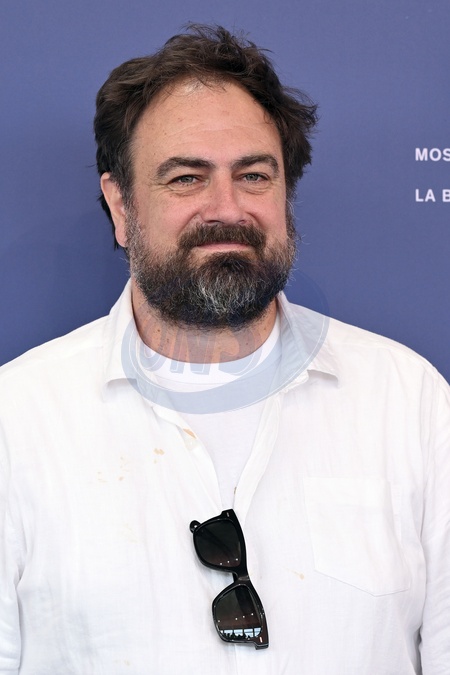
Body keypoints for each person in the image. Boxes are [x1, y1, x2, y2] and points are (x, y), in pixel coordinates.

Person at [0, 24, 449, 675]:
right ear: (121, 206)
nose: (227, 208)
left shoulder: (410, 402)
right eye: (186, 178)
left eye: (254, 175)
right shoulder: (18, 419)